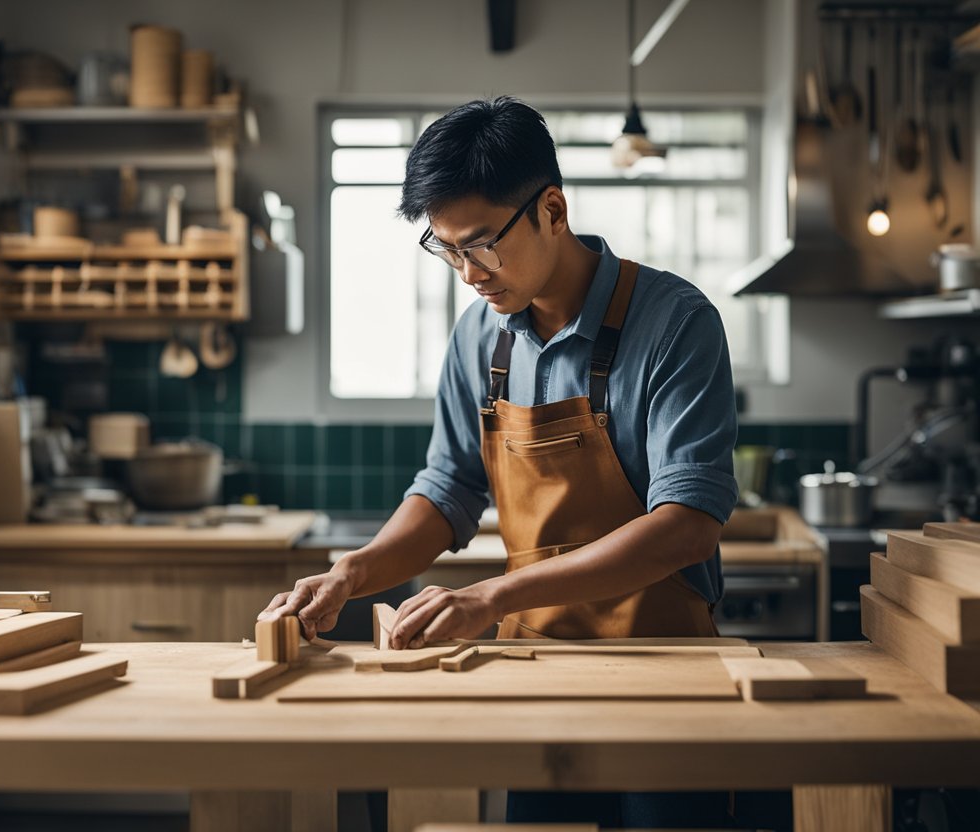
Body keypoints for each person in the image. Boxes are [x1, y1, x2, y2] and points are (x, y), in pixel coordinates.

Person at [260, 96, 739, 827]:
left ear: (553, 209)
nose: (467, 272)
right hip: (534, 671)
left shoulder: (676, 323)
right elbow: (448, 491)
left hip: (666, 675)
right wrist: (352, 572)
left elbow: (687, 528)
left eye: (481, 243)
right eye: (446, 249)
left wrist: (494, 597)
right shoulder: (478, 340)